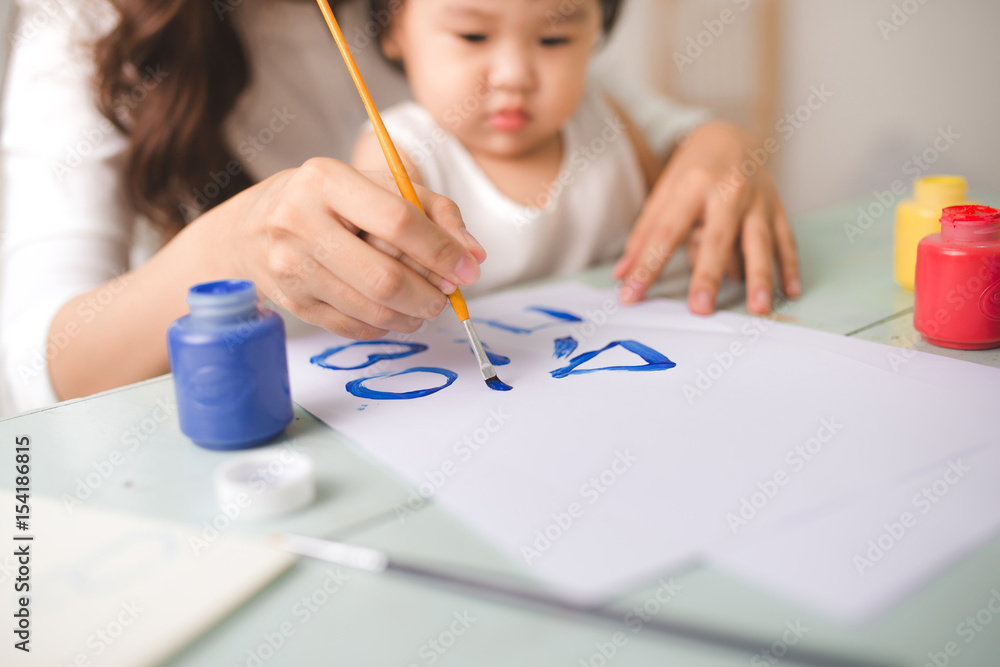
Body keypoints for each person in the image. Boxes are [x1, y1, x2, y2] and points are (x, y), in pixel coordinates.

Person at [0, 0, 798, 416]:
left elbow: (617, 111)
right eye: (472, 36)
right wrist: (228, 249)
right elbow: (40, 362)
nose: (509, 70)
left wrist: (715, 142)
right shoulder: (89, 26)